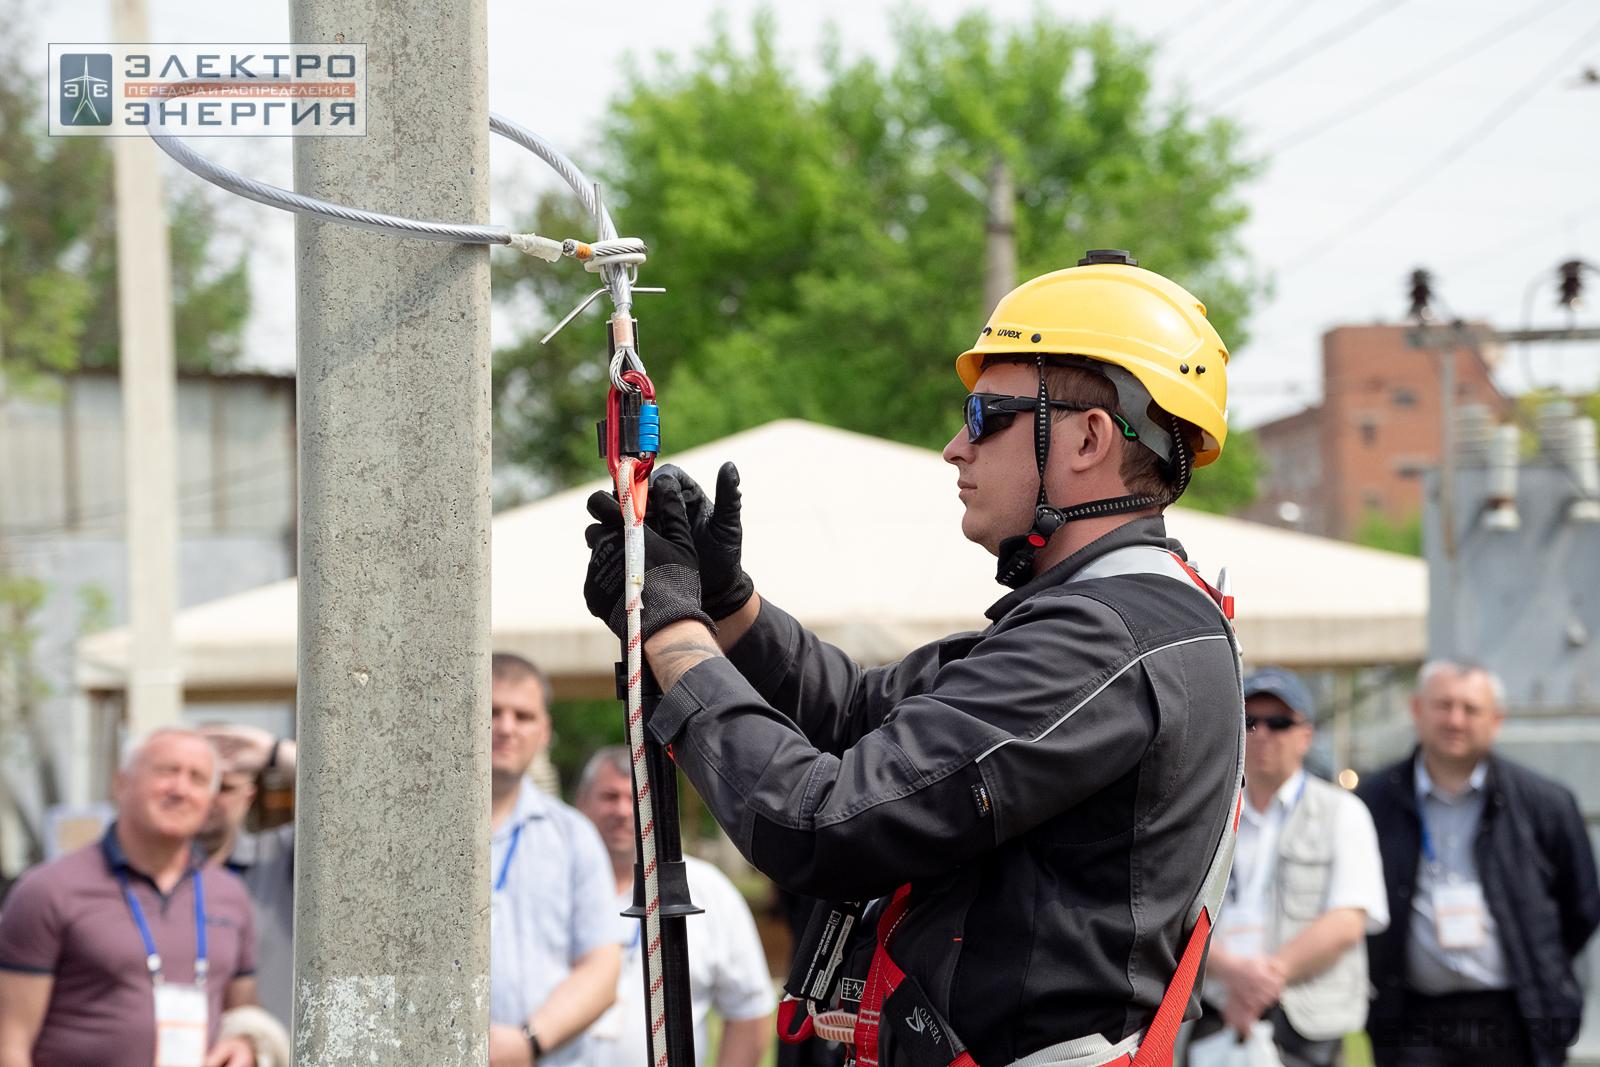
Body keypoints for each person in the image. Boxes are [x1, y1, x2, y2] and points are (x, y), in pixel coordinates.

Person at [582, 251, 1246, 1067]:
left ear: (1088, 437)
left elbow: (820, 821)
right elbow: (866, 713)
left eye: (983, 414)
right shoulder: (1116, 617)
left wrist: (672, 632)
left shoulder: (1102, 639)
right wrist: (726, 607)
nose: (953, 447)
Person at [1358, 660, 1600, 1067]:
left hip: (1516, 1016)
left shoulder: (1545, 804)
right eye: (1444, 705)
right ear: (1417, 709)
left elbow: (1582, 905)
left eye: (1470, 709)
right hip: (1411, 1017)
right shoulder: (1373, 802)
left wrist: (1541, 958)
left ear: (1496, 720)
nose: (1456, 720)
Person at [0, 728, 260, 1067]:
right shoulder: (48, 890)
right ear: (122, 784)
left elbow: (243, 1013)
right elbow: (10, 1043)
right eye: (166, 772)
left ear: (210, 801)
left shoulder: (229, 894)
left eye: (197, 779)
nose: (180, 789)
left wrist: (245, 1042)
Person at [1190, 668, 1388, 1067]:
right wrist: (1232, 974)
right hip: (1215, 1008)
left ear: (1306, 736)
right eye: (1250, 721)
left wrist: (1262, 980)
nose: (1262, 733)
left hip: (1306, 1023)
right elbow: (1177, 914)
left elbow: (1349, 918)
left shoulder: (1342, 812)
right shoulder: (1204, 816)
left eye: (1279, 722)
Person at [575, 746, 775, 1067]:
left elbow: (748, 1010)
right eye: (609, 797)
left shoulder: (708, 889)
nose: (624, 811)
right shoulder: (550, 883)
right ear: (581, 803)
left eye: (635, 798)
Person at [488, 653, 625, 1067]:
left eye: (523, 716)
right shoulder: (413, 834)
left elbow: (602, 970)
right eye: (491, 711)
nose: (506, 727)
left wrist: (526, 1043)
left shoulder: (573, 837)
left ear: (545, 731)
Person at [196, 724, 297, 1032]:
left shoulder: (280, 857)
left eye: (224, 787)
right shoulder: (142, 876)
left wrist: (275, 753)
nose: (210, 798)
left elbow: (358, 804)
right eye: (201, 783)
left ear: (249, 796)